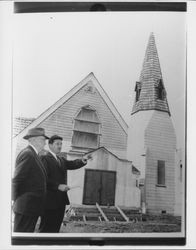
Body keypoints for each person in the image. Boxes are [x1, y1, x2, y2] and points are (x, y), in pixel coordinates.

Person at [38, 135, 92, 233]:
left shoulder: (61, 160)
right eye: (57, 144)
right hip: (49, 202)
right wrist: (58, 186)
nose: (60, 146)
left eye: (61, 144)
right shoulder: (44, 158)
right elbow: (43, 179)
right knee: (45, 230)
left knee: (55, 229)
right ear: (50, 145)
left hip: (60, 202)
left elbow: (72, 164)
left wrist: (83, 159)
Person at [12, 127, 49, 232]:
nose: (45, 143)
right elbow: (17, 180)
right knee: (22, 240)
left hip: (30, 208)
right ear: (34, 140)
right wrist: (13, 201)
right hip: (25, 208)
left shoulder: (33, 154)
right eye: (43, 140)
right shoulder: (28, 154)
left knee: (26, 239)